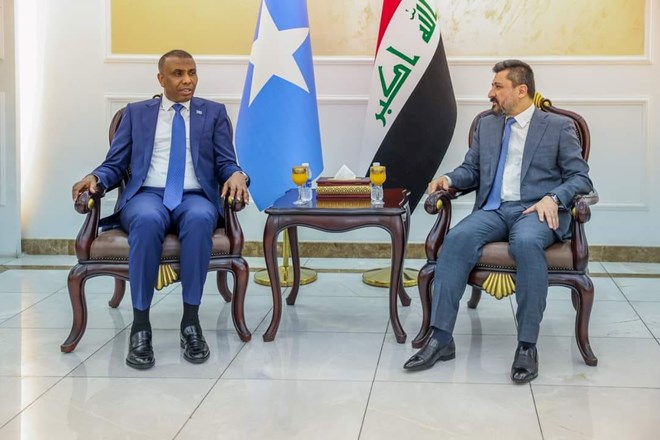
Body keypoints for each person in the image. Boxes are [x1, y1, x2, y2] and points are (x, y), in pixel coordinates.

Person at [403, 59, 593, 383]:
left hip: (534, 211)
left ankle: (527, 346)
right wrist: (449, 179)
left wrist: (554, 197)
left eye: (498, 86)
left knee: (527, 243)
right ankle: (440, 338)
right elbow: (472, 170)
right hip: (493, 210)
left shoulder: (558, 127)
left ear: (521, 90)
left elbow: (581, 177)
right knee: (456, 239)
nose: (490, 93)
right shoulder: (487, 125)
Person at [71, 49, 250, 370]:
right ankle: (140, 326)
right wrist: (95, 177)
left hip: (195, 195)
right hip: (147, 195)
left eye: (192, 73)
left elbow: (226, 162)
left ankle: (191, 323)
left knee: (200, 218)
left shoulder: (213, 113)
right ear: (161, 78)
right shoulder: (136, 114)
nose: (187, 80)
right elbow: (115, 163)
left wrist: (237, 173)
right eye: (178, 74)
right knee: (147, 219)